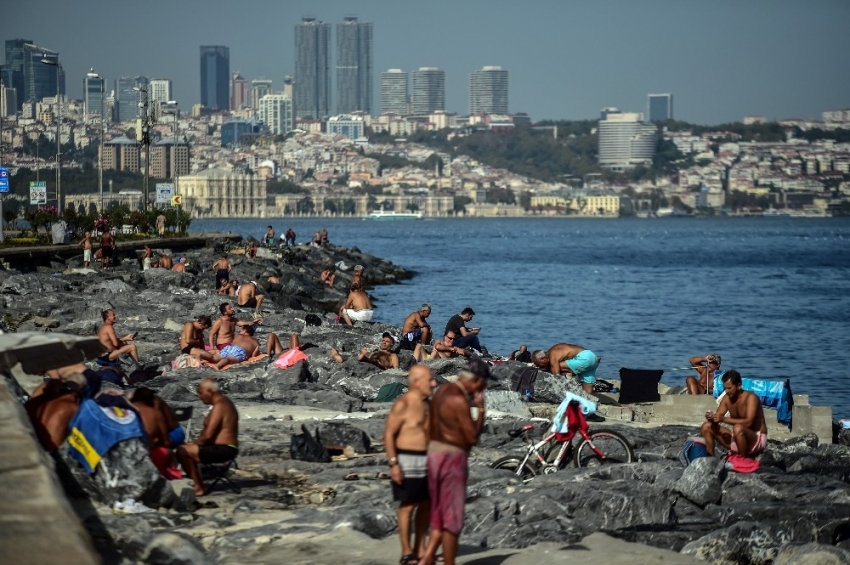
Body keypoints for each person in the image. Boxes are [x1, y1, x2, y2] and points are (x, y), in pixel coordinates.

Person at [418, 358, 491, 565]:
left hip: (433, 455)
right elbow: (471, 437)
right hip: (452, 458)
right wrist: (481, 410)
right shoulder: (459, 399)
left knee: (439, 511)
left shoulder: (442, 391)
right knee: (452, 518)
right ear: (477, 381)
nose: (483, 388)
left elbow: (429, 425)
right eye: (484, 383)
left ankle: (428, 558)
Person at [383, 365, 437, 565]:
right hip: (406, 459)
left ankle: (419, 547)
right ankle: (407, 551)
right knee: (407, 506)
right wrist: (394, 464)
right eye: (429, 380)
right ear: (416, 383)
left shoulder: (428, 404)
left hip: (427, 459)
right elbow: (388, 434)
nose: (434, 383)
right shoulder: (403, 404)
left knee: (426, 505)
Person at [175, 378, 239, 496]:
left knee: (182, 450)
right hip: (222, 447)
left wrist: (193, 444)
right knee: (185, 448)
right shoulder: (224, 402)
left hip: (224, 449)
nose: (199, 396)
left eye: (200, 392)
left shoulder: (220, 406)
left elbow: (208, 435)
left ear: (210, 391)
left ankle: (198, 487)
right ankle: (196, 483)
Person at [701, 370, 767, 457]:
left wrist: (723, 419)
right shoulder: (727, 398)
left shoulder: (751, 398)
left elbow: (749, 422)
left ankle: (743, 460)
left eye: (729, 388)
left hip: (755, 439)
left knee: (738, 428)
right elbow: (718, 418)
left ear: (738, 386)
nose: (726, 391)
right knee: (706, 426)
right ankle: (710, 459)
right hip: (738, 438)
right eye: (725, 388)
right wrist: (712, 418)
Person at [25, 372, 88, 451]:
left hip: (28, 438)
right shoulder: (74, 408)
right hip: (49, 449)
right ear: (77, 393)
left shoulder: (41, 400)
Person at [531, 343, 599, 395]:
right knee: (588, 392)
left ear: (544, 358)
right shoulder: (554, 352)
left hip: (584, 358)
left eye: (538, 364)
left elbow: (557, 377)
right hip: (592, 358)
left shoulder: (553, 354)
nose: (539, 366)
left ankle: (569, 378)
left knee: (554, 368)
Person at [332, 332, 400, 369]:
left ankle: (339, 358)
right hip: (370, 363)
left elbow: (396, 369)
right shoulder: (376, 351)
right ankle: (340, 358)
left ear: (391, 345)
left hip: (379, 367)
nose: (384, 342)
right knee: (358, 358)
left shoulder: (393, 355)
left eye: (387, 342)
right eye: (383, 340)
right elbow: (369, 359)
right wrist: (363, 354)